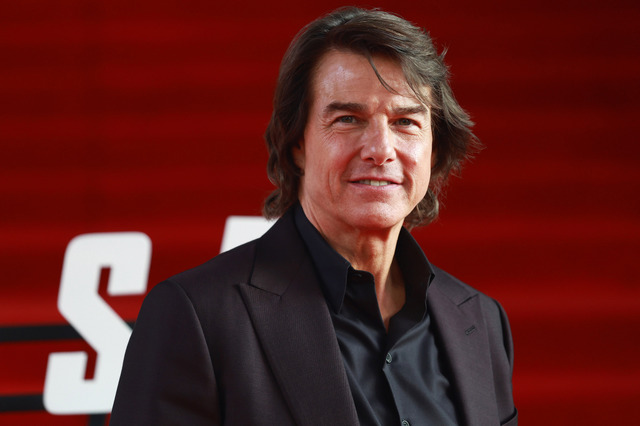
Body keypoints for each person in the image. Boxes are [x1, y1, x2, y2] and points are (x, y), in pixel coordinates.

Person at [110, 6, 517, 426]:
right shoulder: (195, 315)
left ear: (434, 149)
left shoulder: (481, 322)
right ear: (296, 145)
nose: (380, 150)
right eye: (348, 119)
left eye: (405, 121)